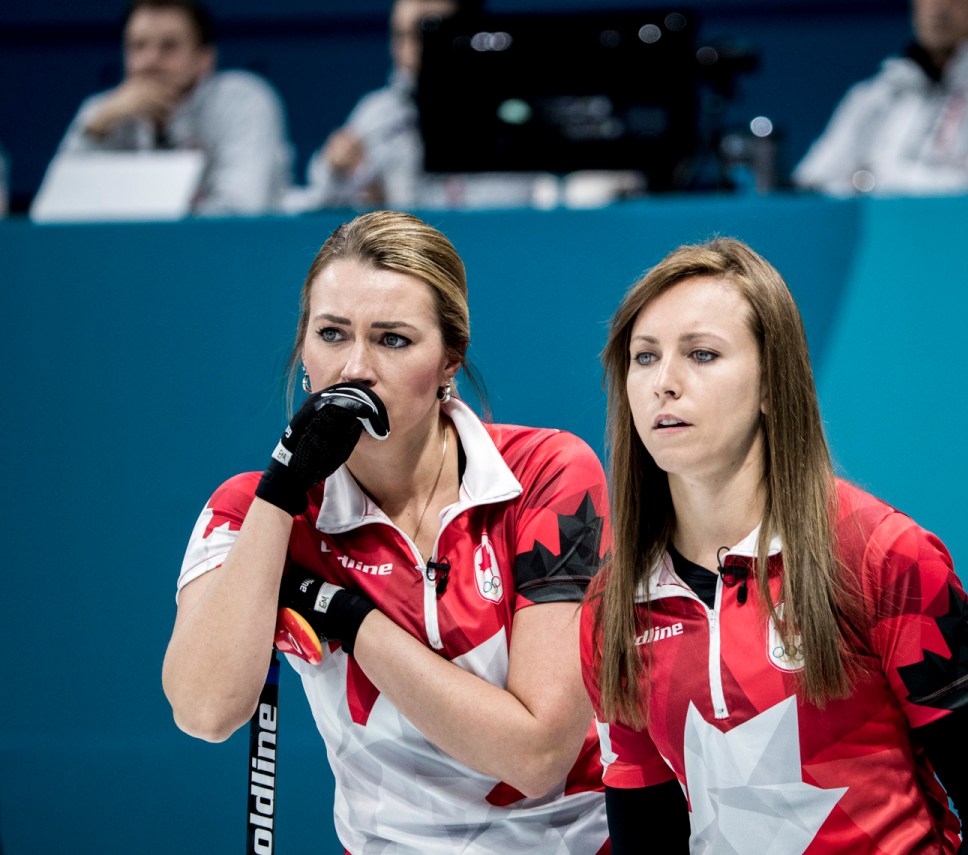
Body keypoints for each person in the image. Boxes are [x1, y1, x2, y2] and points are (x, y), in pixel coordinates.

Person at [163, 210, 609, 853]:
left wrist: (346, 617)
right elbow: (204, 712)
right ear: (303, 347)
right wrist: (281, 491)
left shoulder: (545, 474)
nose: (356, 368)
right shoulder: (255, 509)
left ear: (449, 356)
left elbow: (537, 756)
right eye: (333, 334)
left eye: (393, 339)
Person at [580, 237, 968, 852]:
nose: (664, 383)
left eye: (703, 354)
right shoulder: (614, 603)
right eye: (644, 357)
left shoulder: (883, 557)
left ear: (773, 384)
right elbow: (649, 837)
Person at [793, 0, 968, 196]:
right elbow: (811, 184)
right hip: (881, 259)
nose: (939, 6)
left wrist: (869, 180)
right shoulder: (873, 96)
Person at [300, 0, 552, 211]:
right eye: (399, 35)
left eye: (424, 33)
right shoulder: (378, 111)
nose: (407, 51)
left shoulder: (512, 108)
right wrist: (344, 168)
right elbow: (327, 196)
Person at [54, 0, 292, 215]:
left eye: (168, 46)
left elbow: (239, 212)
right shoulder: (102, 111)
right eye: (137, 46)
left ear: (204, 58)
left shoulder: (242, 100)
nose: (149, 60)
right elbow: (56, 214)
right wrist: (97, 128)